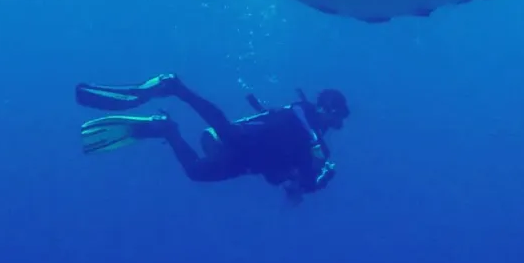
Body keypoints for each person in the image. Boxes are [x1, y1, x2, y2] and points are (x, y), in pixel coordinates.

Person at [75, 74, 349, 203]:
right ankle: (175, 87)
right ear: (328, 110)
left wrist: (306, 181)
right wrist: (318, 167)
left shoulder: (311, 146)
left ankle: (165, 128)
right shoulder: (304, 120)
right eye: (334, 116)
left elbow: (286, 178)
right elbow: (301, 123)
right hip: (241, 142)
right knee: (228, 131)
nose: (334, 123)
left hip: (243, 161)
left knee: (196, 172)